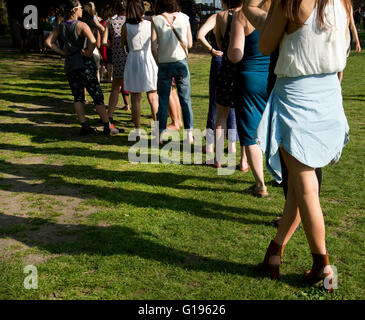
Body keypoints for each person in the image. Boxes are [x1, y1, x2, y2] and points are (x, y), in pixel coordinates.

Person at [249, 0, 350, 290]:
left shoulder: (291, 2)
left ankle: (323, 265)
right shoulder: (342, 1)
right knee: (298, 186)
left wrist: (251, 9)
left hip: (297, 95)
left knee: (305, 186)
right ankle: (275, 252)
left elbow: (266, 44)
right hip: (329, 92)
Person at [45, 0, 119, 136]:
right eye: (79, 8)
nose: (82, 10)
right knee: (97, 95)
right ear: (74, 10)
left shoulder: (61, 26)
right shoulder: (81, 25)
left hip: (70, 64)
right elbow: (92, 41)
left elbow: (48, 42)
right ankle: (107, 125)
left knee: (77, 96)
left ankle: (84, 125)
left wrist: (63, 53)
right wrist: (89, 53)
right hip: (84, 64)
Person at [228, 8, 270, 197]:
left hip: (249, 78)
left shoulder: (242, 15)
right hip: (274, 77)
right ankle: (284, 178)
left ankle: (260, 184)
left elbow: (236, 54)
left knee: (250, 132)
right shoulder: (277, 10)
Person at [197, 10, 247, 170]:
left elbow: (200, 35)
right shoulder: (247, 15)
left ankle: (212, 149)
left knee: (216, 107)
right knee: (234, 109)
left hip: (222, 61)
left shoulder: (219, 16)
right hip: (241, 62)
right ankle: (232, 148)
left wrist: (212, 49)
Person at [151, 0, 194, 144]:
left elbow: (153, 45)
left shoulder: (155, 20)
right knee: (185, 100)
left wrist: (159, 60)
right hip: (180, 61)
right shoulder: (184, 18)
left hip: (164, 62)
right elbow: (190, 43)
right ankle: (189, 135)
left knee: (163, 101)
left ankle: (159, 136)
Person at [213, 0, 243, 168]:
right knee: (244, 116)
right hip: (242, 69)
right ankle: (244, 160)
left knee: (221, 116)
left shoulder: (221, 16)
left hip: (225, 68)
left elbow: (219, 43)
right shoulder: (247, 15)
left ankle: (218, 159)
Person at [122, 0, 159, 132]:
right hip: (148, 58)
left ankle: (137, 129)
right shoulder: (150, 24)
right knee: (153, 95)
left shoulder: (125, 26)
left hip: (133, 59)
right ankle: (157, 127)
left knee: (135, 98)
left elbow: (123, 44)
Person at [102, 0, 130, 122]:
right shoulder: (132, 21)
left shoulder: (110, 22)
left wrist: (112, 45)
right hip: (131, 56)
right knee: (135, 90)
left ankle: (110, 115)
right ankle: (135, 115)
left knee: (115, 87)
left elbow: (103, 42)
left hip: (118, 57)